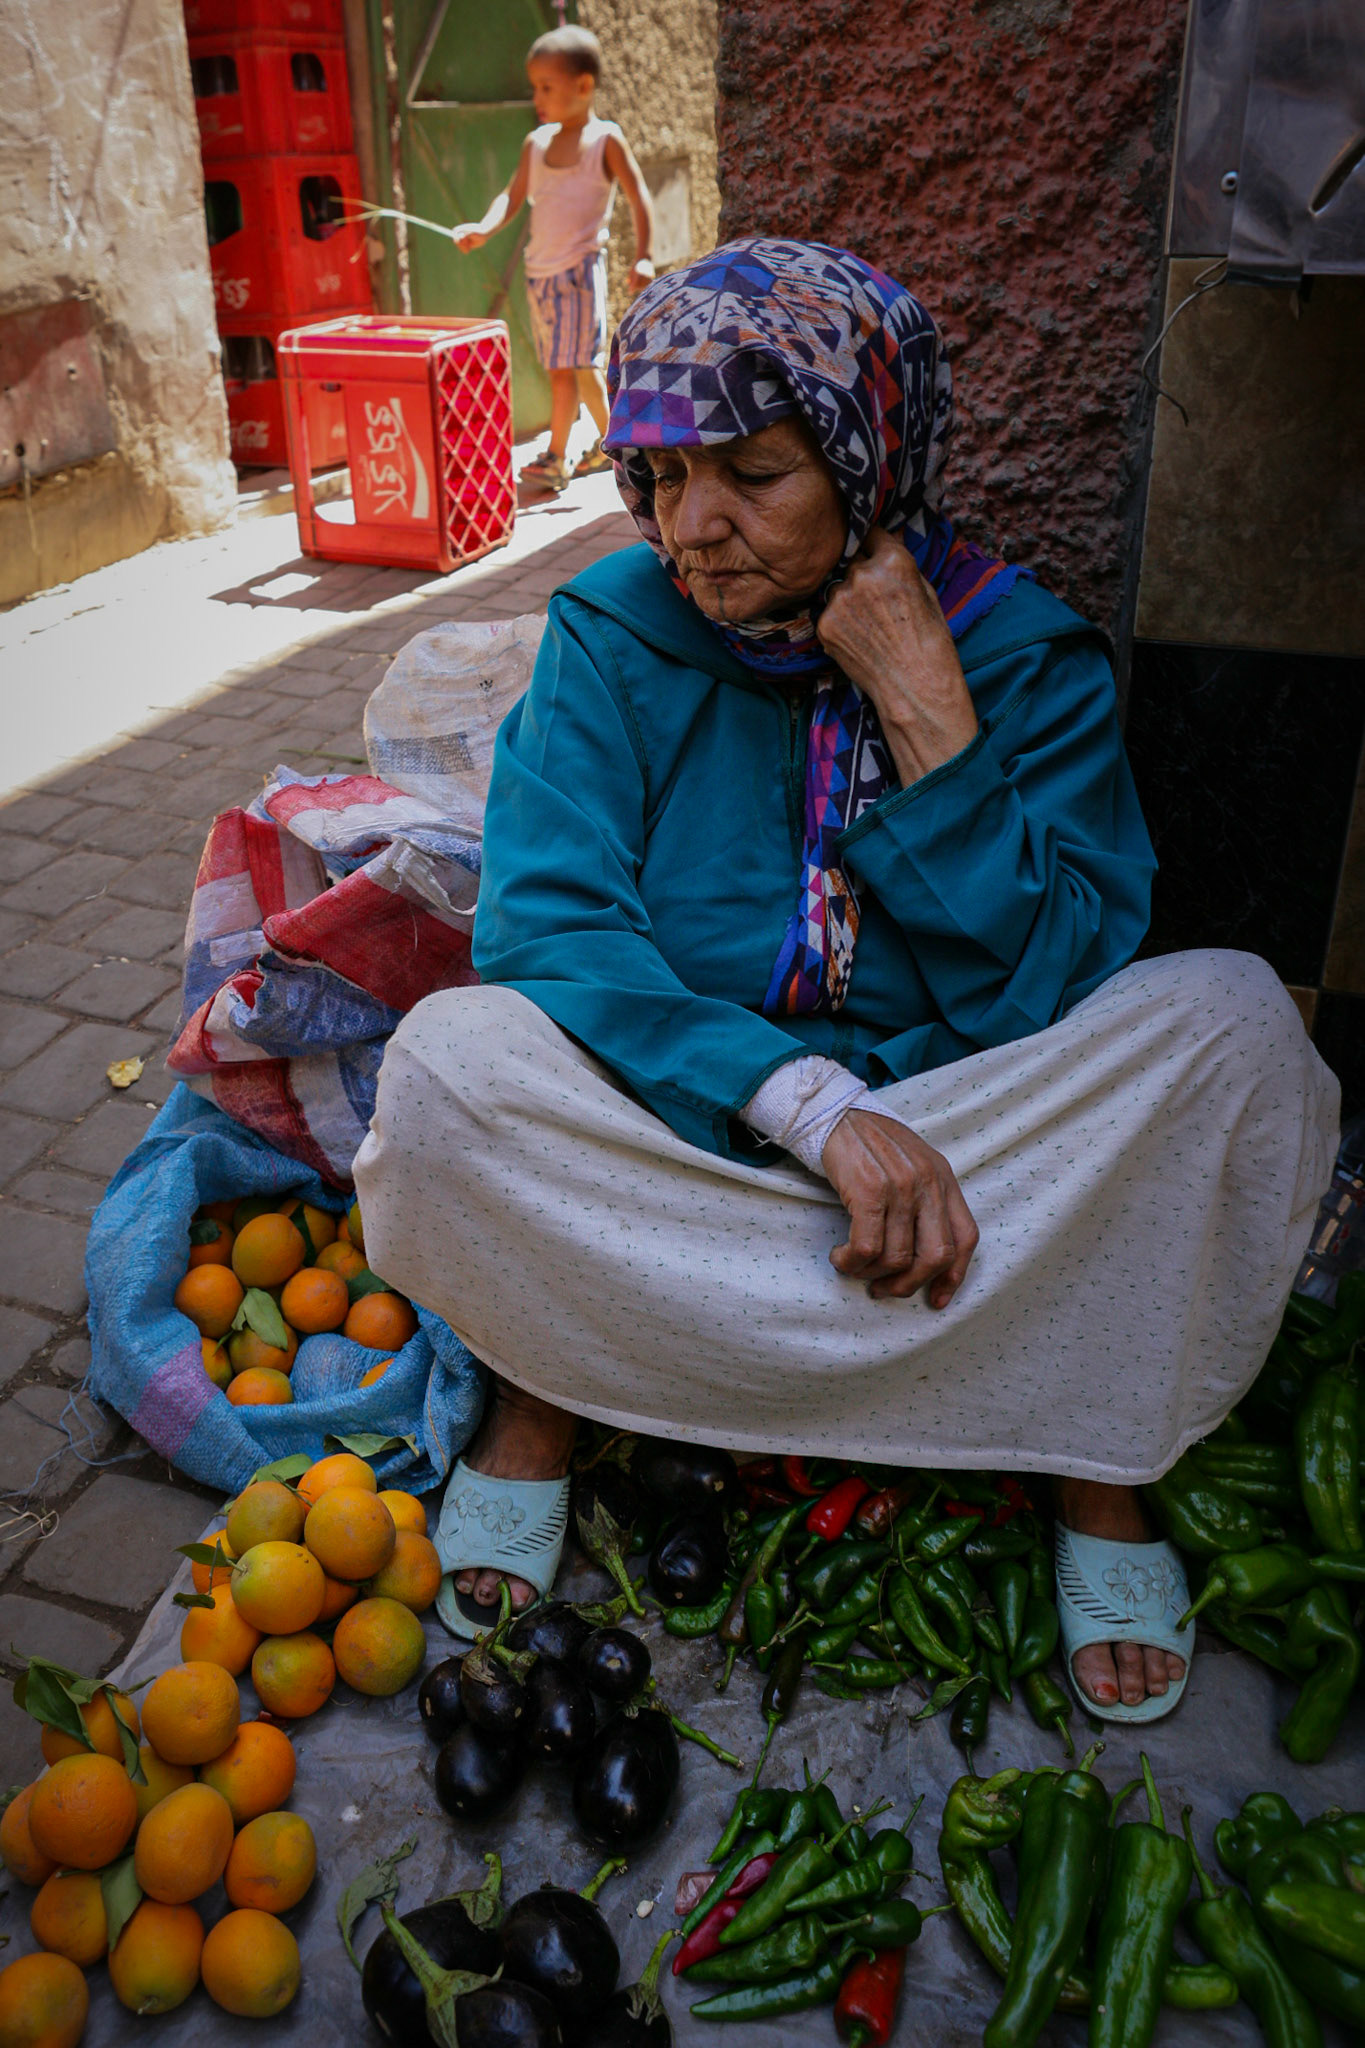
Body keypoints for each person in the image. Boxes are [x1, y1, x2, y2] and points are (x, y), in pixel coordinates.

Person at [353, 238, 1339, 1724]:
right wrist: (805, 1105)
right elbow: (553, 927)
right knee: (452, 1056)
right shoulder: (613, 638)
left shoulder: (1017, 655)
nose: (695, 528)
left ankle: (1096, 1454)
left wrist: (927, 709)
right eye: (663, 475)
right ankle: (546, 1395)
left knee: (1233, 1027)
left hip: (966, 1150)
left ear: (870, 456)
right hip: (687, 1134)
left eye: (752, 472)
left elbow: (1066, 970)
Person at [450, 25, 655, 494]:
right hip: (540, 276)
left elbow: (639, 196)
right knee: (561, 370)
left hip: (579, 273)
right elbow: (511, 196)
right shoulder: (535, 144)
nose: (537, 97)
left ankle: (621, 448)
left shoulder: (605, 141)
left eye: (547, 86)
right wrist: (483, 228)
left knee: (582, 365)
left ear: (584, 86)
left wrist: (644, 256)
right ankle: (560, 456)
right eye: (535, 86)